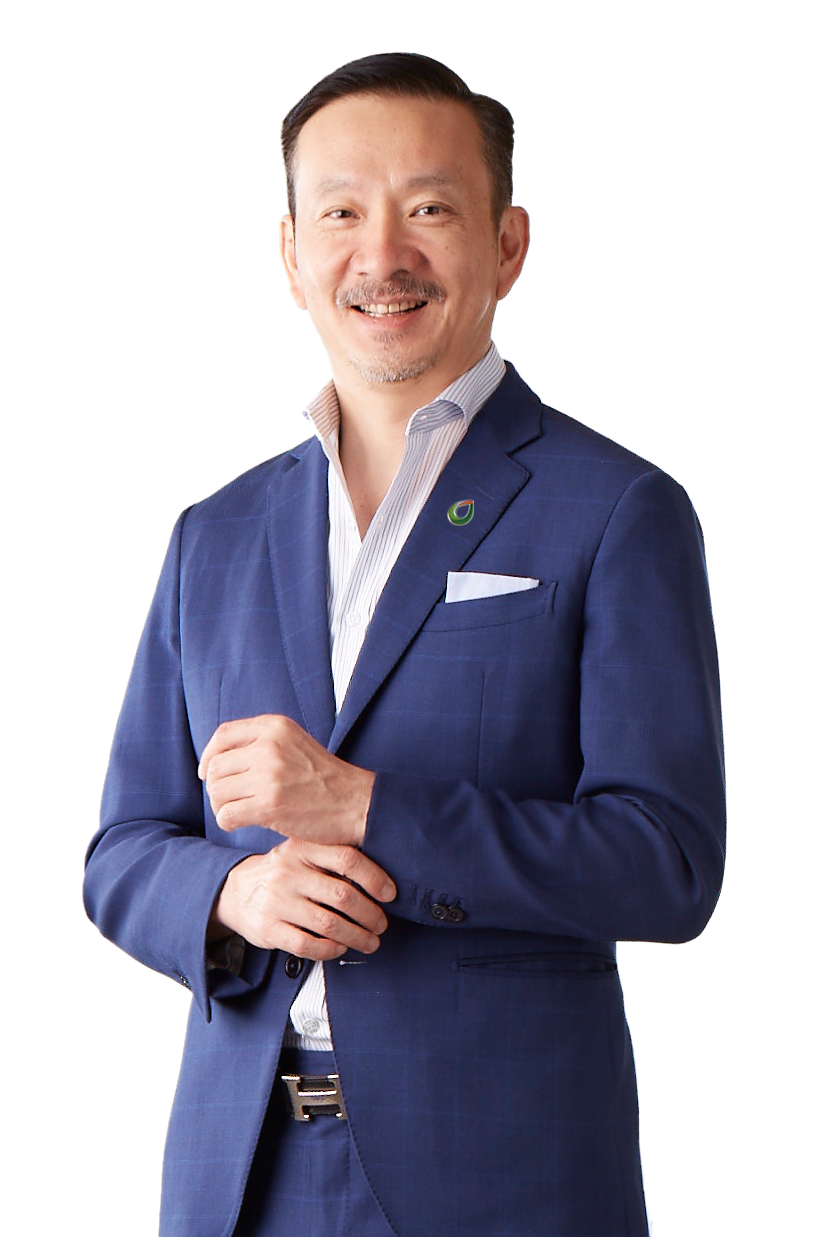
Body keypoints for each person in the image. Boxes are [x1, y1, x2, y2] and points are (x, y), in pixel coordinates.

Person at [83, 51, 726, 1237]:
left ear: (508, 246)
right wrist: (233, 890)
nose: (381, 255)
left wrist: (364, 808)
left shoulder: (620, 508)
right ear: (291, 256)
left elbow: (666, 863)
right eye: (340, 214)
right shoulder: (212, 532)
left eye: (428, 209)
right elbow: (120, 851)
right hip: (238, 1180)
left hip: (504, 1184)